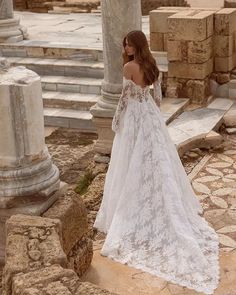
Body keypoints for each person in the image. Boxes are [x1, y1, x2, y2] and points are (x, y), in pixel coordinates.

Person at [94, 30, 219, 295]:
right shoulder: (153, 66)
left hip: (135, 118)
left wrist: (117, 122)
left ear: (136, 46)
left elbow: (124, 100)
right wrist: (151, 113)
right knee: (155, 161)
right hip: (150, 116)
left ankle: (133, 205)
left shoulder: (129, 68)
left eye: (128, 44)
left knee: (130, 160)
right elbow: (158, 98)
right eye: (124, 44)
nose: (125, 47)